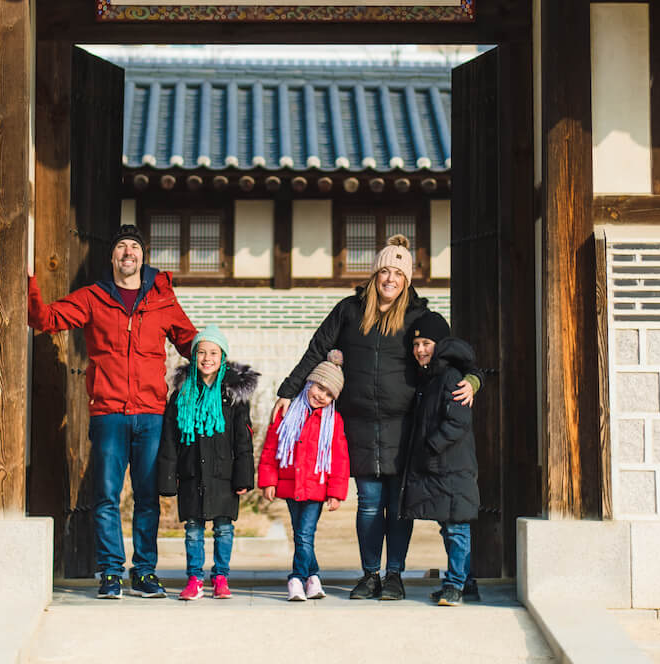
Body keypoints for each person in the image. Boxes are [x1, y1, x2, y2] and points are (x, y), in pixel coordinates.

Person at [274, 235, 476, 601]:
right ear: (374, 275)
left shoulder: (418, 316)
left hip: (405, 426)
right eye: (384, 271)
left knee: (398, 507)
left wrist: (473, 379)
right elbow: (317, 348)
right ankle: (370, 574)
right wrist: (289, 391)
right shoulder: (350, 310)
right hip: (360, 423)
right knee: (368, 503)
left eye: (397, 273)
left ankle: (394, 575)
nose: (390, 279)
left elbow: (450, 354)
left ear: (407, 279)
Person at [26, 224, 196, 599]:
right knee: (106, 495)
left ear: (143, 256)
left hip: (151, 413)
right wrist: (27, 282)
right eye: (121, 247)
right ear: (112, 256)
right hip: (108, 413)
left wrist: (219, 362)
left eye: (134, 247)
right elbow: (46, 319)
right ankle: (111, 572)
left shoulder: (162, 299)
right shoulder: (93, 297)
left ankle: (146, 572)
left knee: (148, 497)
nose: (128, 253)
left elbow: (189, 341)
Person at [155, 325, 257, 601]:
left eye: (213, 352)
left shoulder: (232, 398)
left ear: (222, 357)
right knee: (193, 529)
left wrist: (244, 477)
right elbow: (169, 439)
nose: (207, 358)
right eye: (201, 352)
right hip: (192, 473)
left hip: (223, 473)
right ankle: (194, 578)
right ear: (193, 357)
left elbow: (243, 441)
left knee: (224, 527)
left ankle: (221, 576)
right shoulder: (181, 396)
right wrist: (167, 477)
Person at [400, 311, 479, 607]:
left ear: (441, 345)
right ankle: (463, 580)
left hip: (452, 465)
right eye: (416, 343)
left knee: (457, 527)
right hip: (442, 467)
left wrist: (430, 446)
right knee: (448, 526)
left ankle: (456, 585)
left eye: (427, 343)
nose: (420, 349)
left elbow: (458, 421)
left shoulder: (449, 376)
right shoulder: (430, 377)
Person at [258, 349, 350, 602]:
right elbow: (270, 448)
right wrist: (268, 481)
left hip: (316, 488)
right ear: (309, 383)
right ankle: (314, 577)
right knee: (301, 533)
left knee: (304, 534)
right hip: (289, 485)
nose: (322, 396)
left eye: (329, 394)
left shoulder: (333, 421)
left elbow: (340, 459)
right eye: (319, 388)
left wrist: (335, 492)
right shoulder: (286, 413)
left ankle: (297, 578)